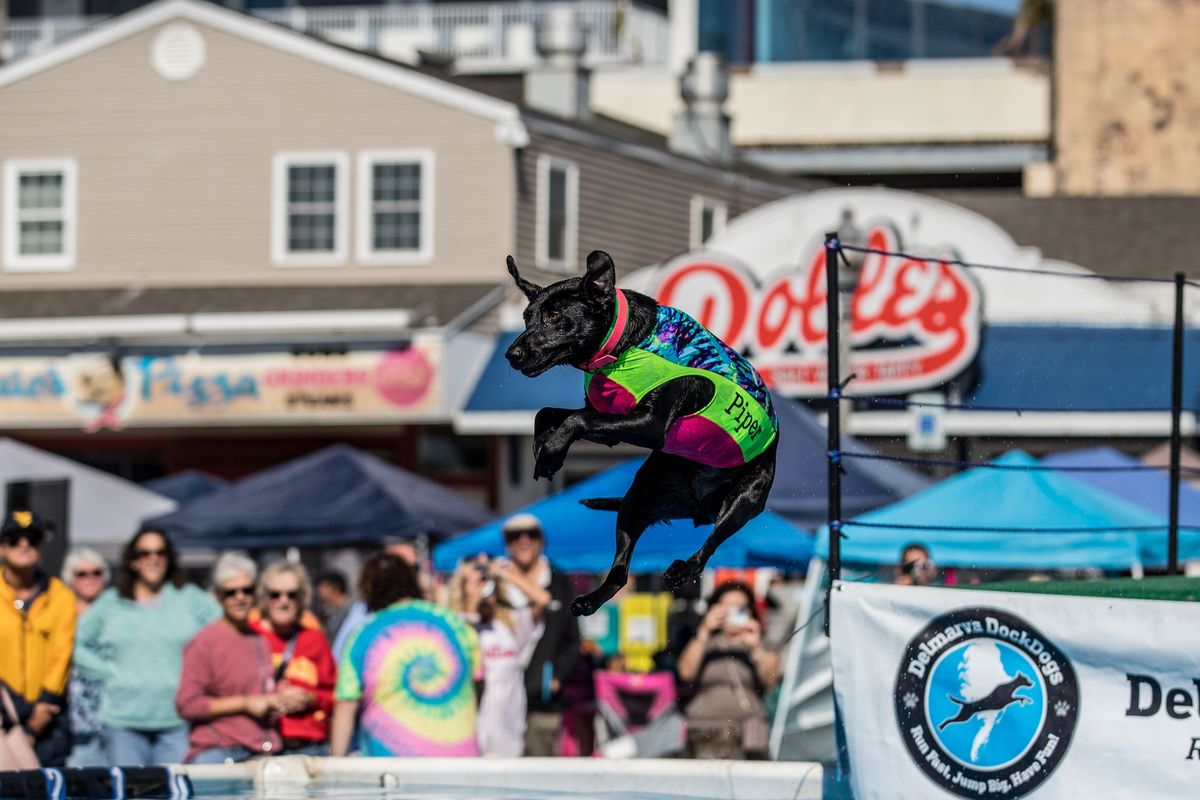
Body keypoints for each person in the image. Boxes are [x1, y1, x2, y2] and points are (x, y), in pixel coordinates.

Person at [74, 528, 221, 766]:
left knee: (175, 792)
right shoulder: (112, 602)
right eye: (145, 553)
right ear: (133, 560)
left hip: (176, 721)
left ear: (169, 557)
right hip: (123, 721)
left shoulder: (189, 598)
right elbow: (74, 643)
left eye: (160, 552)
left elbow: (225, 633)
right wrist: (108, 673)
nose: (153, 558)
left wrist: (203, 677)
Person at [330, 553, 481, 758]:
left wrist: (336, 764)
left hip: (393, 770)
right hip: (460, 762)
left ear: (368, 590)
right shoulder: (455, 624)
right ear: (412, 582)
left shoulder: (363, 635)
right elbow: (478, 680)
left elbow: (346, 706)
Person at [176, 553, 282, 764]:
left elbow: (259, 695)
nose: (240, 598)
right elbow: (187, 704)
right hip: (220, 752)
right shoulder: (205, 641)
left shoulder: (259, 638)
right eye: (231, 592)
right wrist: (244, 703)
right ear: (218, 596)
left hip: (262, 749)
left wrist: (280, 698)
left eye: (247, 590)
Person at [497, 513, 579, 757]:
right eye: (515, 536)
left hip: (540, 700)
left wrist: (556, 678)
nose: (524, 540)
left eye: (531, 534)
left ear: (541, 540)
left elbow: (573, 639)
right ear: (507, 543)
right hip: (500, 699)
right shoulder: (498, 582)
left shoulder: (559, 582)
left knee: (537, 769)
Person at [448, 555, 546, 757]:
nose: (485, 593)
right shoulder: (457, 626)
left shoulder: (508, 625)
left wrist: (504, 574)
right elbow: (459, 664)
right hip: (473, 736)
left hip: (510, 736)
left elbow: (542, 599)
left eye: (488, 586)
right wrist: (470, 604)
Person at [0, 511, 76, 766]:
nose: (24, 545)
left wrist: (42, 712)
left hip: (47, 713)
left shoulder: (60, 595)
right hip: (3, 709)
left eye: (32, 539)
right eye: (14, 539)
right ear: (1, 546)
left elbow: (62, 655)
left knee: (48, 786)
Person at [676, 581, 780, 760]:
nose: (732, 613)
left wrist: (756, 648)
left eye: (739, 608)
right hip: (704, 730)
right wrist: (704, 630)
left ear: (750, 612)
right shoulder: (704, 643)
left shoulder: (759, 644)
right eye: (726, 607)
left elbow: (771, 681)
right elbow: (685, 673)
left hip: (748, 734)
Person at [249, 560, 336, 756]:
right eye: (275, 594)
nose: (284, 601)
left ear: (302, 598)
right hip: (261, 746)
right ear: (264, 598)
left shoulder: (315, 639)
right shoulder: (248, 637)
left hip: (310, 746)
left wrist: (310, 697)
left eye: (292, 595)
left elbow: (337, 696)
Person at [331, 540, 426, 661]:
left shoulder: (423, 613)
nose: (413, 573)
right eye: (410, 568)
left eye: (416, 568)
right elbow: (341, 658)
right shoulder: (362, 617)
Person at [61, 547, 110, 767]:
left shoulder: (117, 610)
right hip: (73, 716)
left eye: (96, 572)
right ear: (70, 579)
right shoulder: (62, 613)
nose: (90, 578)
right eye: (81, 574)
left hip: (114, 710)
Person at [314, 570, 351, 643]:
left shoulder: (352, 610)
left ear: (335, 587)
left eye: (325, 586)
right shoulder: (331, 611)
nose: (320, 590)